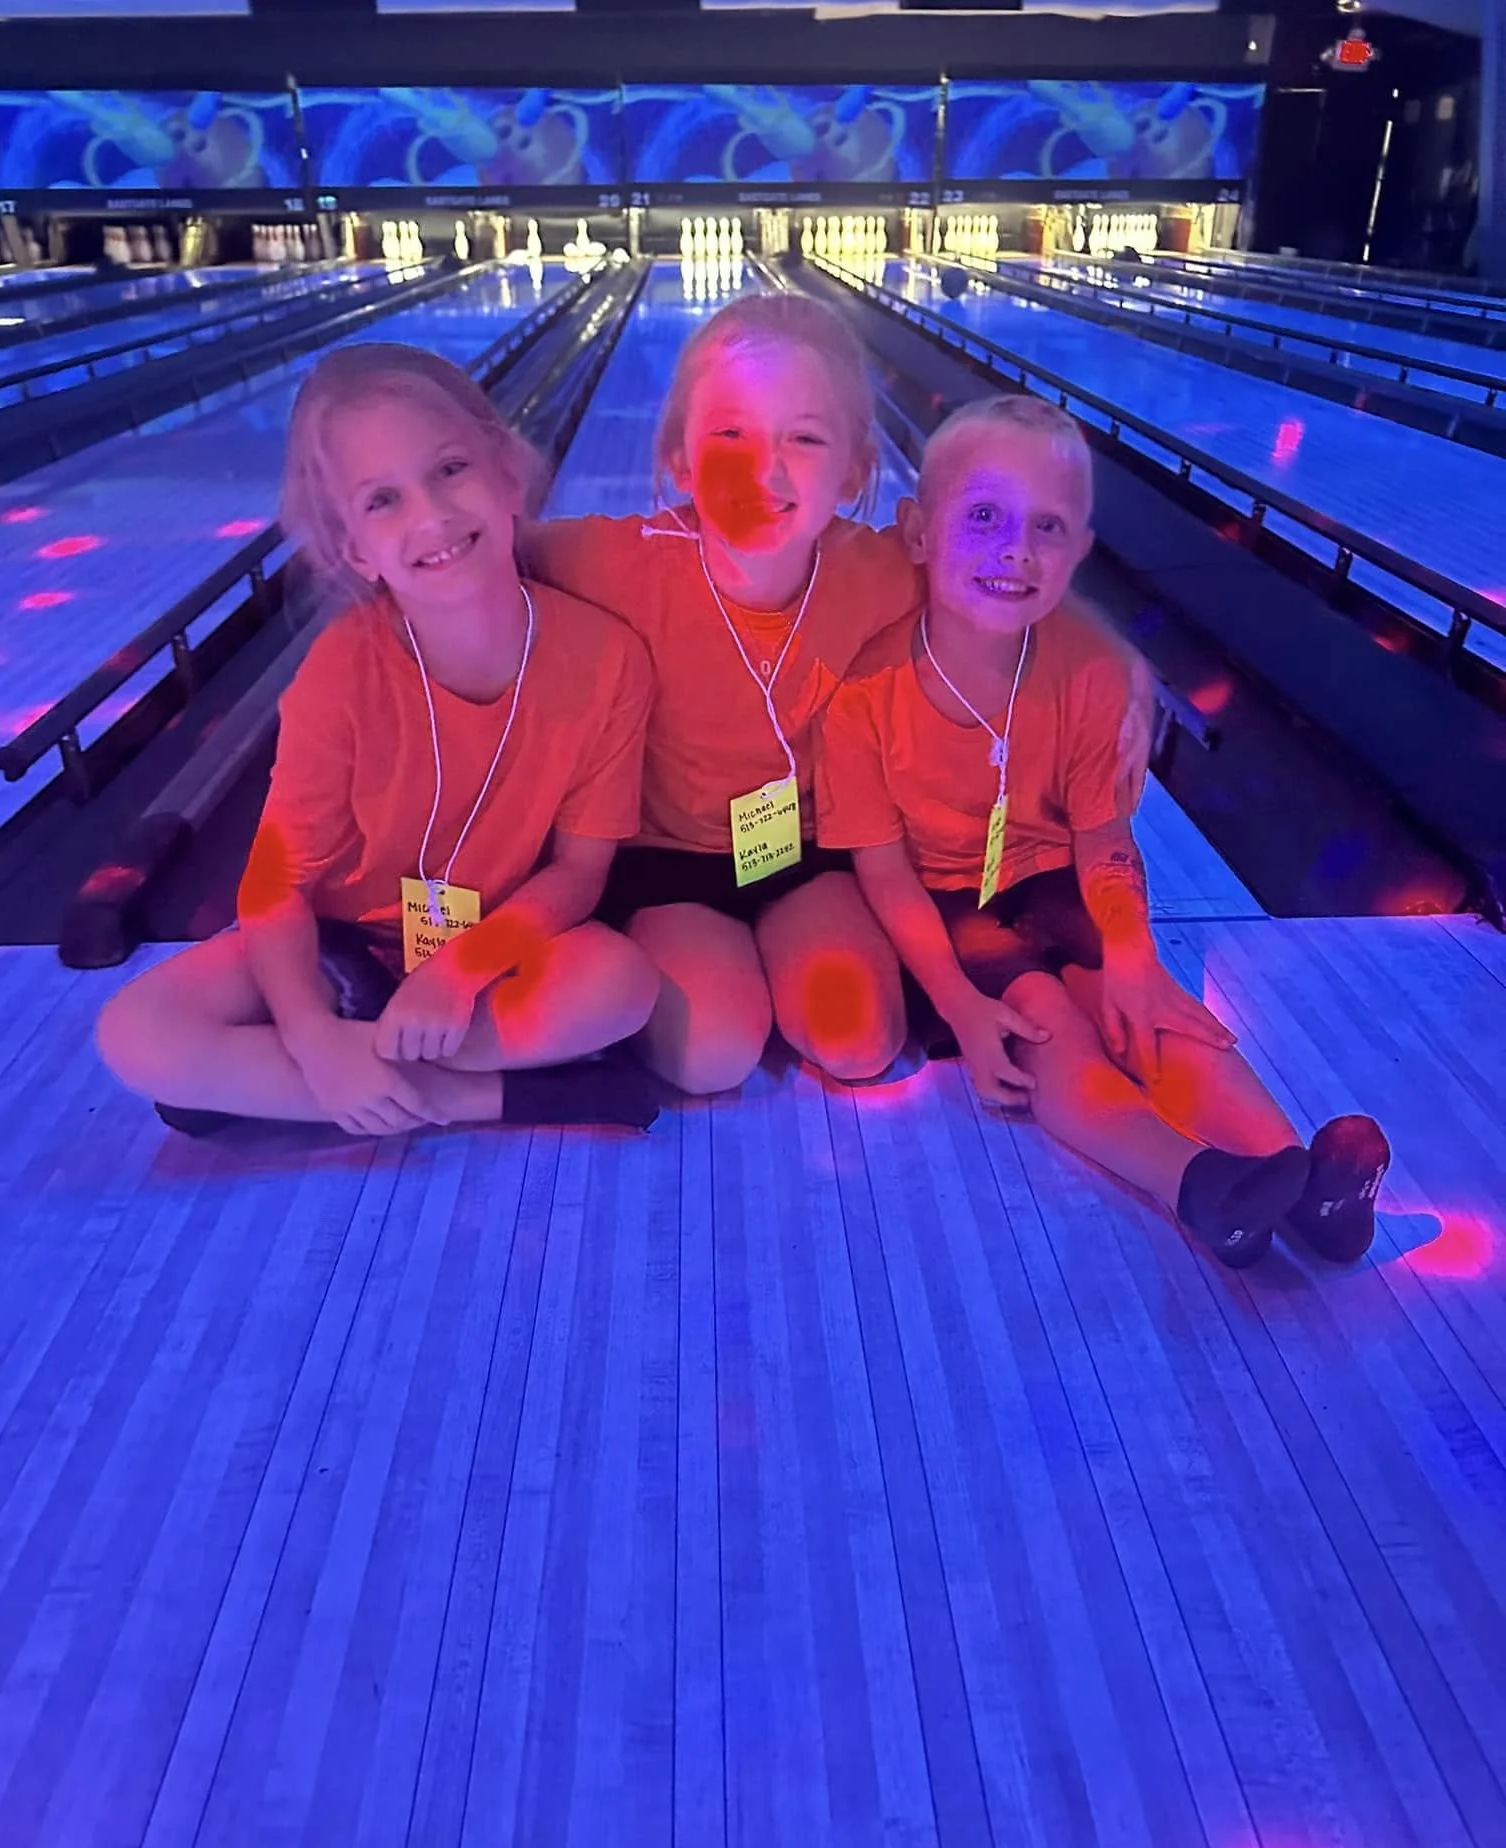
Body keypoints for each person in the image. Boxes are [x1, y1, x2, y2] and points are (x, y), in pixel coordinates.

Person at [815, 394, 1390, 1266]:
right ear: (919, 533)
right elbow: (885, 873)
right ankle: (1194, 1185)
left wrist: (1130, 954)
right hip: (943, 909)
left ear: (1079, 551)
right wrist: (957, 1002)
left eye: (1047, 526)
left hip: (1056, 882)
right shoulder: (865, 695)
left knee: (1150, 1012)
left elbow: (1104, 836)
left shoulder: (1090, 672)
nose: (1016, 549)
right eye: (983, 517)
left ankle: (1309, 1187)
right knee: (1047, 1025)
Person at [96, 342, 662, 1140]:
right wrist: (311, 1035)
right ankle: (501, 1097)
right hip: (337, 946)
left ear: (507, 475)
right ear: (354, 549)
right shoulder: (343, 671)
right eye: (383, 500)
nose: (431, 516)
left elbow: (578, 873)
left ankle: (312, 1090)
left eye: (451, 469)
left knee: (621, 985)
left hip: (489, 953)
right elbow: (274, 886)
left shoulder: (607, 660)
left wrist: (456, 974)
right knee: (137, 1030)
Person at [524, 291, 921, 1097]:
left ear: (853, 469)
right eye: (730, 434)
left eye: (804, 438)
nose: (764, 470)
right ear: (681, 460)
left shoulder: (879, 572)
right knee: (711, 1056)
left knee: (858, 1041)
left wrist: (1125, 676)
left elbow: (1006, 587)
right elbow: (467, 557)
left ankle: (772, 966)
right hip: (664, 864)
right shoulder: (614, 564)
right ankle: (725, 974)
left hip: (805, 859)